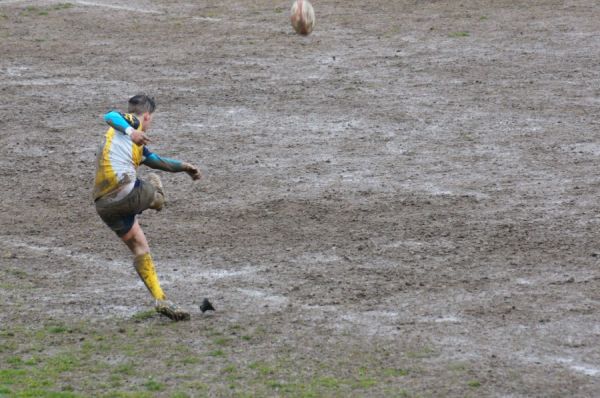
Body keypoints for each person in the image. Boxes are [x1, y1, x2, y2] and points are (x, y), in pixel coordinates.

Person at [93, 94, 201, 321]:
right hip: (124, 190)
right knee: (156, 193)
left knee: (140, 248)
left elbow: (156, 160)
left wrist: (184, 167)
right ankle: (156, 197)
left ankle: (161, 299)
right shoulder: (130, 122)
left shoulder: (133, 145)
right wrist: (132, 131)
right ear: (147, 116)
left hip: (104, 206)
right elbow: (109, 115)